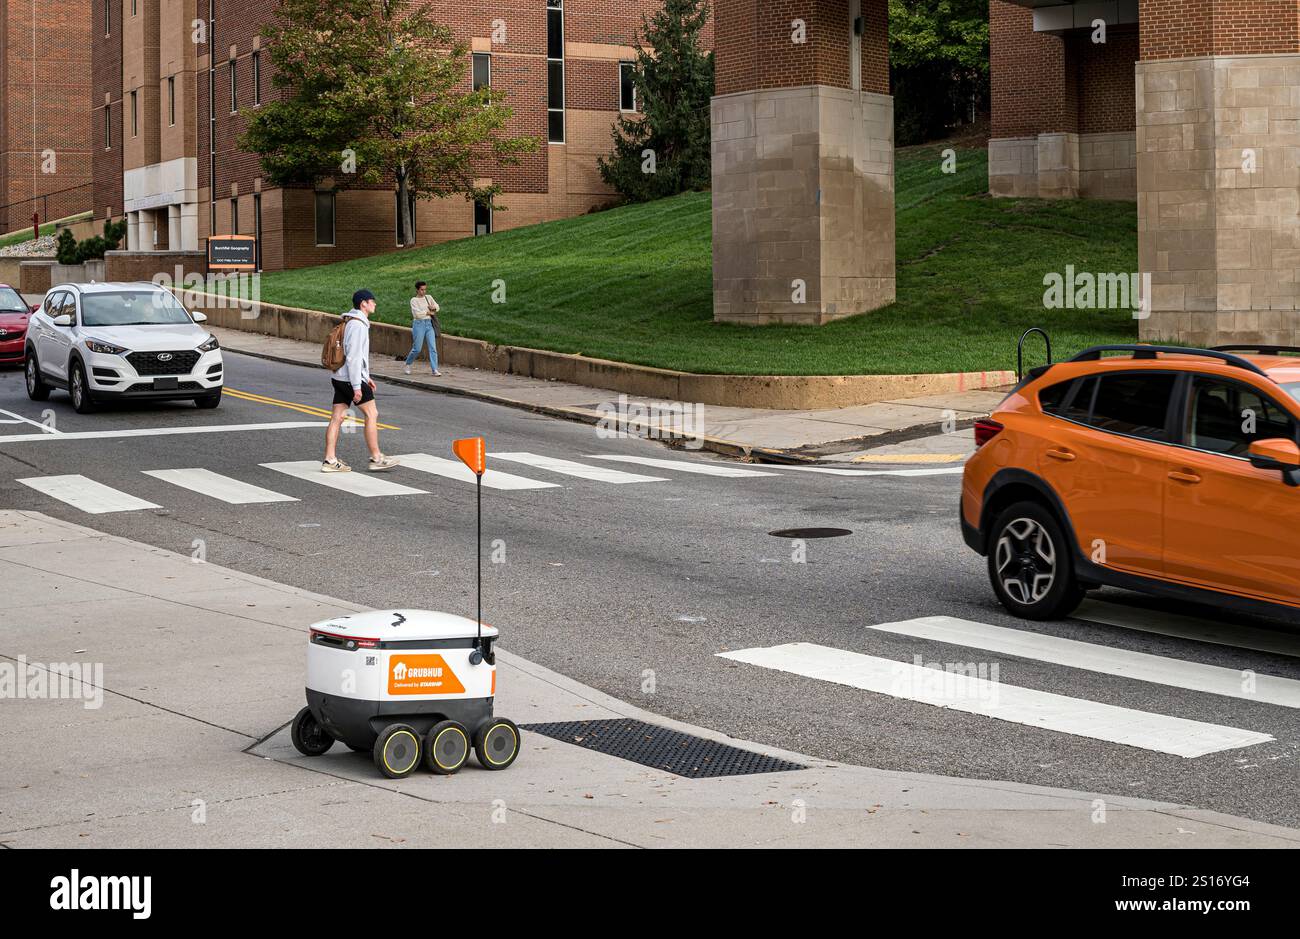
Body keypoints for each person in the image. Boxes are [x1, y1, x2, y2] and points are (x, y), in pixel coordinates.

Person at [323, 289, 399, 473]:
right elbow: (354, 358)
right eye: (372, 301)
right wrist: (358, 385)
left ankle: (330, 460)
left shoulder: (351, 322)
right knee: (372, 414)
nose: (375, 304)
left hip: (340, 377)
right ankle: (376, 457)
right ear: (363, 304)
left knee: (337, 417)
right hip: (350, 379)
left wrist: (367, 377)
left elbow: (356, 357)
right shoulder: (358, 325)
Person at [405, 280, 442, 376]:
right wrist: (428, 312)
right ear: (417, 290)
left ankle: (435, 369)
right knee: (417, 348)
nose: (424, 291)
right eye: (422, 290)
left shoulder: (428, 297)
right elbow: (417, 314)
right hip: (419, 324)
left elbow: (437, 307)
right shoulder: (414, 300)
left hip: (429, 324)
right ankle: (408, 364)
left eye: (425, 289)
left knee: (433, 348)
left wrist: (433, 307)